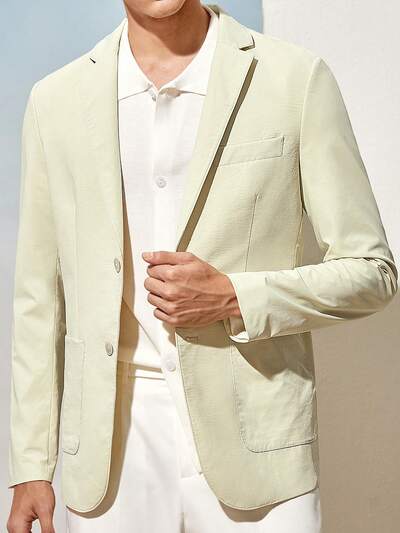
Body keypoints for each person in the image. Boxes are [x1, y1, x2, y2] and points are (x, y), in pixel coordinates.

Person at [7, 1, 398, 532]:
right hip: (110, 457)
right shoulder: (55, 101)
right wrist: (31, 465)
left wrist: (234, 297)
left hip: (259, 446)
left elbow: (372, 271)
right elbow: (39, 300)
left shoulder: (294, 78)